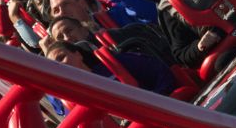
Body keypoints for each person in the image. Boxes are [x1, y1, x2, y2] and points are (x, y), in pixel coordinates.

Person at [44, 41, 176, 95]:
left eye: (61, 58)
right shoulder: (73, 102)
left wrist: (159, 99)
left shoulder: (113, 65)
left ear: (78, 54)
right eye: (55, 66)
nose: (61, 65)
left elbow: (158, 71)